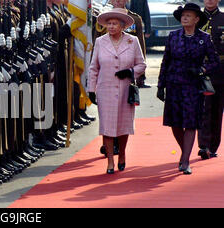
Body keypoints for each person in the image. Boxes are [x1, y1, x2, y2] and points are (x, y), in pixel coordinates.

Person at [157, 3, 219, 175]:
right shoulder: (173, 36)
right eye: (183, 15)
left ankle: (185, 161)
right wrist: (160, 86)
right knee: (175, 123)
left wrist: (202, 70)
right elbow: (165, 61)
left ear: (196, 19)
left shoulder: (204, 38)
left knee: (191, 123)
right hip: (174, 84)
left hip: (193, 86)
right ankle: (185, 152)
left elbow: (215, 61)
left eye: (189, 15)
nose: (185, 18)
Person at [88, 8, 146, 174]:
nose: (111, 26)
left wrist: (130, 72)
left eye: (115, 24)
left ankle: (122, 154)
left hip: (125, 89)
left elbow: (141, 65)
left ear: (122, 26)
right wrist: (92, 89)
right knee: (106, 126)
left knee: (123, 126)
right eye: (109, 24)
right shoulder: (100, 42)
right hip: (105, 89)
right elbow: (93, 67)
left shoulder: (132, 41)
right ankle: (110, 161)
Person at [197, 0, 224, 159]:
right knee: (203, 109)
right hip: (203, 68)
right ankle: (204, 145)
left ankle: (213, 146)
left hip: (221, 69)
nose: (210, 0)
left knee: (217, 109)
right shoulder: (196, 18)